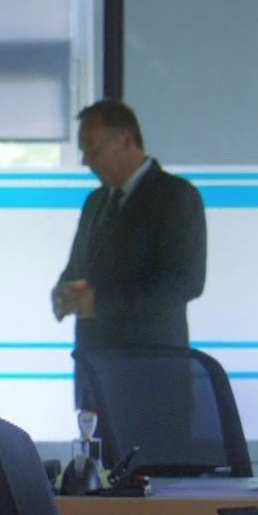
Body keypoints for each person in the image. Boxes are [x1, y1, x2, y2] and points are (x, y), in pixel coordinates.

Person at [53, 101, 207, 408]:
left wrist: (99, 302)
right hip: (95, 376)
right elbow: (77, 267)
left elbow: (186, 282)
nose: (86, 161)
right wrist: (63, 292)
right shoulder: (95, 202)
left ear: (125, 140)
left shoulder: (175, 196)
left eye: (93, 149)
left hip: (152, 374)